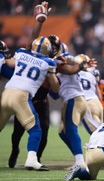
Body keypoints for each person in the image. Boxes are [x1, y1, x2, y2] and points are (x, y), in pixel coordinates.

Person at [0, 36, 60, 171]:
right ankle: (31, 160)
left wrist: (4, 52)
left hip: (7, 92)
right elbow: (55, 87)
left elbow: (9, 64)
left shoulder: (21, 53)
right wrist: (55, 80)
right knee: (35, 130)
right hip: (21, 96)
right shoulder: (48, 62)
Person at [56, 52, 96, 170]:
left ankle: (80, 161)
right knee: (63, 132)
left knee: (71, 129)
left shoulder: (67, 66)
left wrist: (79, 65)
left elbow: (72, 67)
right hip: (76, 100)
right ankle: (78, 159)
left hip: (74, 99)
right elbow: (54, 93)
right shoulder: (58, 69)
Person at [77, 58, 103, 135]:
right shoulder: (92, 73)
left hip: (87, 103)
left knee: (97, 134)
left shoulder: (76, 73)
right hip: (97, 103)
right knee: (102, 130)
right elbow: (98, 92)